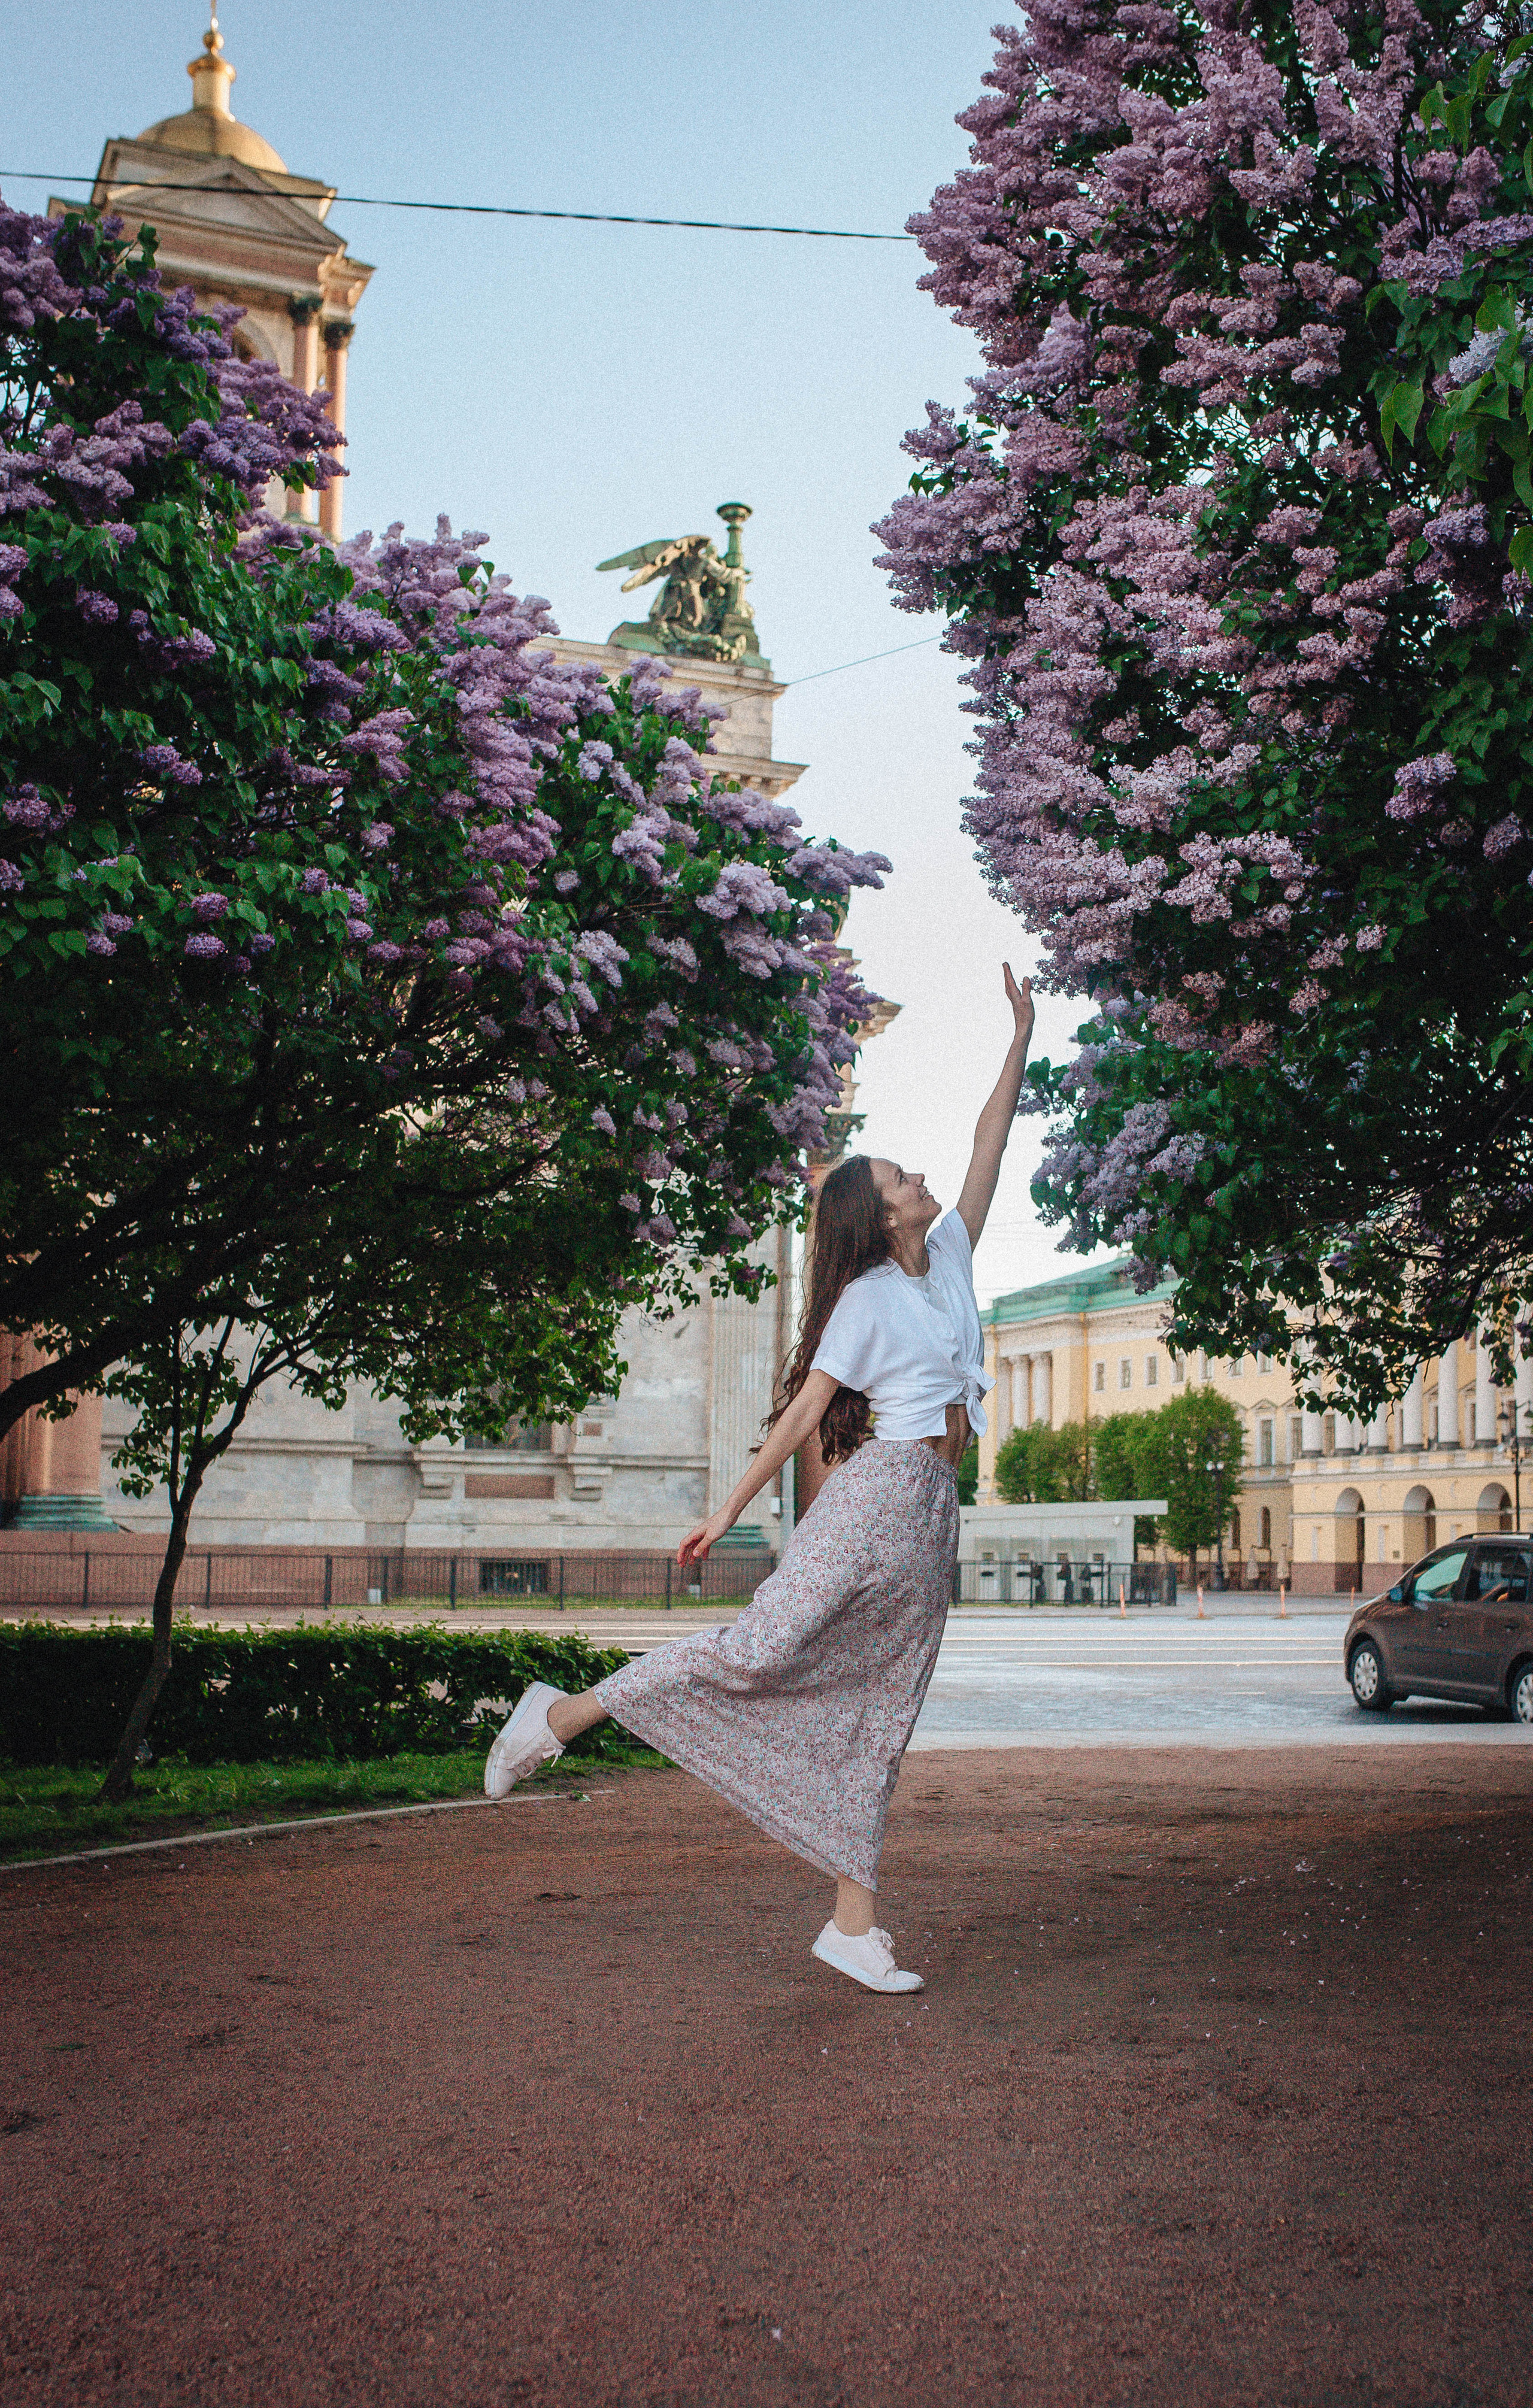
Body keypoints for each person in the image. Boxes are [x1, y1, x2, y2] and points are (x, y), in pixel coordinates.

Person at [484, 966, 1036, 1994]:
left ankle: (852, 1926)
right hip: (875, 1502)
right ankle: (554, 1718)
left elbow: (988, 1149)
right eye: (899, 1178)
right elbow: (803, 1413)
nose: (919, 1180)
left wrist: (1020, 1038)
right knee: (755, 1649)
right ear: (876, 1218)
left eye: (912, 1173)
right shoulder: (868, 1298)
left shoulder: (949, 1254)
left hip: (931, 1518)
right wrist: (728, 1508)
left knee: (883, 1711)